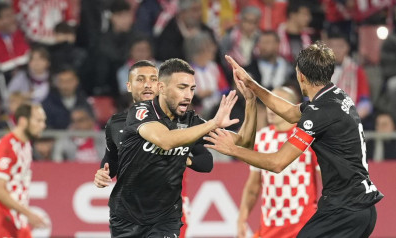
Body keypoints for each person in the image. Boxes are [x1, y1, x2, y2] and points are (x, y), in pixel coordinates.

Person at [206, 44, 384, 237]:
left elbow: (277, 163)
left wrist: (233, 149)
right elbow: (291, 113)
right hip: (361, 208)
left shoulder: (319, 113)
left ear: (301, 76)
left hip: (344, 209)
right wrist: (251, 85)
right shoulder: (337, 97)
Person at [98, 58, 256, 237]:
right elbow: (165, 140)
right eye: (182, 88)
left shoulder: (191, 122)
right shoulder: (141, 112)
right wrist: (212, 123)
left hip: (166, 219)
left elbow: (244, 143)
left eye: (192, 89)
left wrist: (251, 103)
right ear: (161, 88)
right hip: (127, 218)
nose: (188, 95)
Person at [93, 60, 212, 237]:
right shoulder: (116, 123)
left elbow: (206, 161)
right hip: (130, 215)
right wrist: (102, 174)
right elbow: (111, 163)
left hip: (167, 213)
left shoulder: (179, 119)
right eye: (140, 79)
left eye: (153, 79)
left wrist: (185, 158)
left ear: (160, 86)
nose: (148, 85)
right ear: (128, 86)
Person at [237, 87, 320, 238]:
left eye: (277, 102)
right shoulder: (261, 138)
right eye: (269, 102)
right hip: (269, 227)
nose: (271, 108)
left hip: (303, 226)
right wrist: (242, 219)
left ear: (293, 106)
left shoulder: (308, 137)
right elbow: (253, 186)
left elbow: (328, 181)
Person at [0, 103, 48, 238]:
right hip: (1, 219)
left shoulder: (25, 146)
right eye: (38, 120)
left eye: (43, 121)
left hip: (18, 221)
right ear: (23, 121)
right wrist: (29, 213)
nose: (43, 125)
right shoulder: (6, 146)